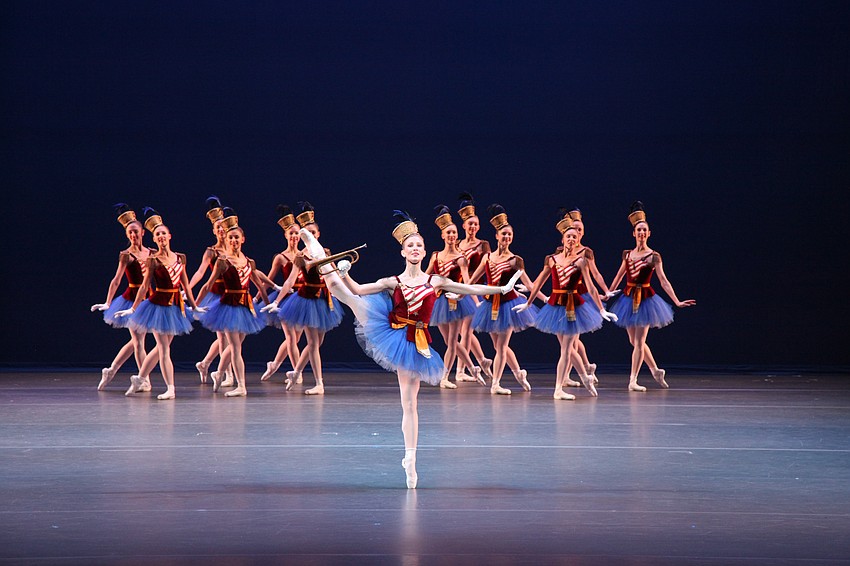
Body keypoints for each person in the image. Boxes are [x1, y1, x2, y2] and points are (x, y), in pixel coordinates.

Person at [300, 211, 522, 488]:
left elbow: (470, 288)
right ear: (403, 252)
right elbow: (357, 289)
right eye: (410, 246)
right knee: (340, 289)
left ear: (424, 251)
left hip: (414, 343)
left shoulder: (435, 281)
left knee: (410, 404)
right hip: (388, 327)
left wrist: (502, 289)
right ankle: (312, 244)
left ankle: (411, 459)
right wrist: (345, 272)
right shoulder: (392, 281)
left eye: (419, 245)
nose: (415, 249)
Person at [515, 215, 617, 399]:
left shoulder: (581, 261)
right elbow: (539, 282)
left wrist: (602, 309)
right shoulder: (551, 259)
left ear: (577, 240)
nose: (571, 239)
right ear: (562, 240)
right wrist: (528, 302)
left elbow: (591, 287)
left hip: (573, 306)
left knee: (567, 349)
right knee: (566, 348)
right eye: (568, 236)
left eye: (574, 237)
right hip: (556, 306)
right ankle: (584, 378)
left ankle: (558, 389)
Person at [114, 208, 206, 400]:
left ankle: (140, 378)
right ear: (154, 239)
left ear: (169, 236)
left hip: (175, 306)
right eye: (157, 235)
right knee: (164, 349)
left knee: (161, 347)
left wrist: (195, 306)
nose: (161, 236)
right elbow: (143, 287)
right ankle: (170, 388)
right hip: (158, 306)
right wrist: (132, 308)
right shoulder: (153, 260)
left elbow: (186, 286)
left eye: (163, 233)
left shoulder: (180, 258)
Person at [607, 201, 696, 391]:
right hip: (628, 299)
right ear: (633, 233)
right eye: (638, 230)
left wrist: (676, 301)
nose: (641, 233)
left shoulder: (654, 256)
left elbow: (663, 280)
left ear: (649, 234)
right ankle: (656, 370)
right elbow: (619, 276)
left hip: (646, 300)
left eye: (644, 230)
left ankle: (633, 380)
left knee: (639, 342)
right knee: (633, 341)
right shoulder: (627, 254)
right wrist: (607, 293)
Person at [260, 202, 343, 395]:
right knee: (312, 344)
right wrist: (276, 301)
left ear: (318, 234)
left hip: (324, 300)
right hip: (307, 301)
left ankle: (296, 372)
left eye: (313, 233)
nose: (310, 236)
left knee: (317, 344)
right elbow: (290, 281)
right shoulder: (300, 256)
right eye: (308, 233)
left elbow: (334, 278)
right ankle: (319, 383)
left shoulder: (326, 253)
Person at [468, 204, 542, 395]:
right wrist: (457, 292)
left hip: (509, 306)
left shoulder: (515, 260)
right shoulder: (487, 258)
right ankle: (519, 373)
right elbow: (471, 281)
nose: (507, 237)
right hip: (490, 306)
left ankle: (496, 384)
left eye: (510, 235)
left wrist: (546, 298)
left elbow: (530, 284)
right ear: (496, 236)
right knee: (497, 346)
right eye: (504, 234)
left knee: (501, 347)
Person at [196, 208, 270, 396]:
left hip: (245, 306)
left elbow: (259, 285)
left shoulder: (249, 261)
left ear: (243, 239)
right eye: (231, 238)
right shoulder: (222, 261)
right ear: (227, 240)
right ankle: (241, 386)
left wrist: (268, 304)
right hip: (228, 306)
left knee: (234, 346)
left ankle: (219, 372)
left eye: (237, 237)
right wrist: (195, 305)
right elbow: (207, 285)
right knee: (235, 348)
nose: (234, 240)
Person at [91, 204, 152, 391]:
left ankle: (111, 370)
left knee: (136, 341)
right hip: (131, 300)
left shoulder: (151, 253)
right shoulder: (126, 255)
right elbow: (116, 280)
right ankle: (144, 380)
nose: (133, 235)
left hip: (149, 299)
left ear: (143, 233)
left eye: (136, 232)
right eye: (130, 232)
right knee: (139, 342)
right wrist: (108, 302)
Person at [424, 205, 485, 388]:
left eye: (454, 233)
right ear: (442, 235)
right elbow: (425, 278)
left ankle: (445, 377)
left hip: (455, 301)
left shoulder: (461, 258)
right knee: (448, 341)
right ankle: (473, 367)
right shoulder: (435, 256)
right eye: (448, 232)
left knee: (452, 341)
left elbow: (467, 282)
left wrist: (474, 300)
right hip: (439, 301)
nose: (451, 235)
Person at [558, 207, 618, 387]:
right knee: (572, 341)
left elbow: (595, 275)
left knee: (572, 340)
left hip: (582, 297)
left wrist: (606, 290)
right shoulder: (560, 251)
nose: (576, 232)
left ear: (583, 233)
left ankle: (577, 372)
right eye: (574, 229)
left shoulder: (586, 252)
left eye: (579, 230)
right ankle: (584, 367)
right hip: (564, 297)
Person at [186, 196, 230, 385]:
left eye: (223, 227)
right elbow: (200, 272)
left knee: (230, 336)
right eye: (217, 227)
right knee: (224, 337)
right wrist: (188, 288)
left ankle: (205, 363)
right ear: (213, 231)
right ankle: (226, 374)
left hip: (233, 294)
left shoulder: (234, 248)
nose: (221, 230)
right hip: (217, 297)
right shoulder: (212, 251)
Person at [259, 205, 304, 383]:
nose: (294, 236)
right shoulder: (281, 257)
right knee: (291, 338)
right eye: (291, 233)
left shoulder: (305, 255)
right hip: (286, 299)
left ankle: (274, 364)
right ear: (285, 235)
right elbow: (268, 279)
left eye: (296, 233)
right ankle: (297, 373)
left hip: (303, 298)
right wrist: (257, 297)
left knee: (296, 338)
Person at [454, 192, 494, 382]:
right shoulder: (456, 244)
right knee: (461, 331)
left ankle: (461, 370)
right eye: (470, 223)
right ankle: (481, 360)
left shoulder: (483, 245)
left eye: (476, 224)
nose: (473, 227)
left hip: (475, 290)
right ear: (463, 225)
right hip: (458, 289)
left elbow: (488, 266)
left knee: (466, 330)